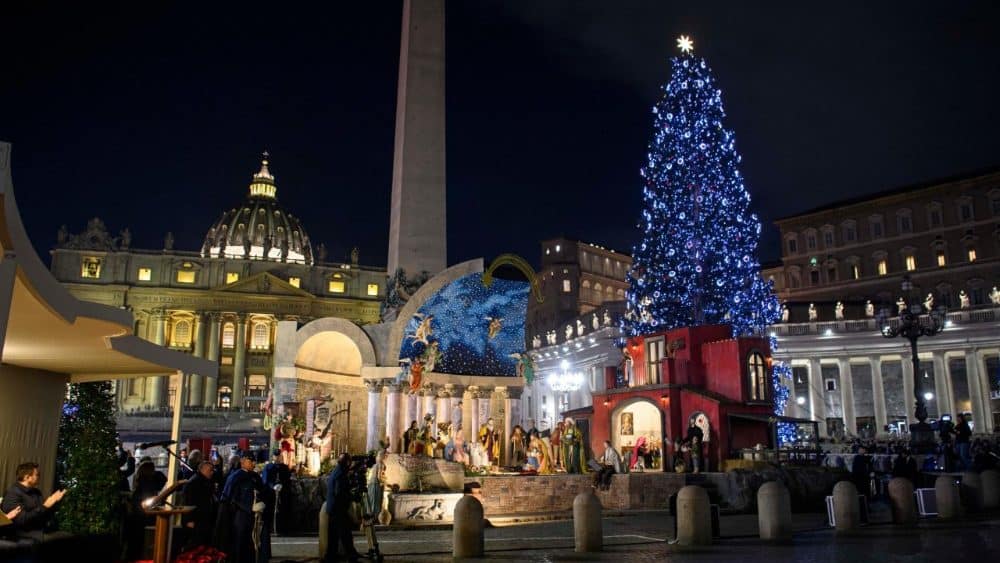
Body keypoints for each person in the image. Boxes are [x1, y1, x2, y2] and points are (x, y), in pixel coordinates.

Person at [219, 453, 267, 563]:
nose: (253, 463)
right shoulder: (235, 477)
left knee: (253, 542)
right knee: (240, 541)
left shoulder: (255, 476)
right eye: (251, 461)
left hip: (255, 516)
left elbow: (262, 491)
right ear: (243, 461)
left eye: (254, 461)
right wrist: (249, 507)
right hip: (239, 515)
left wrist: (262, 503)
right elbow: (232, 497)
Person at [0, 462, 66, 542]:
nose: (39, 477)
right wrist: (45, 506)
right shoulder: (12, 494)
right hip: (23, 535)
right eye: (37, 474)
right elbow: (22, 521)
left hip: (41, 530)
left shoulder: (36, 492)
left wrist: (54, 502)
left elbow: (43, 514)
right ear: (27, 477)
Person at [125, 458, 167, 560]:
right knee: (141, 540)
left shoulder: (140, 480)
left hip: (137, 515)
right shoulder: (149, 482)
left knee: (134, 542)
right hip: (143, 516)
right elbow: (163, 480)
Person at [324, 453, 360, 563]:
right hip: (338, 509)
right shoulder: (340, 474)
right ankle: (351, 555)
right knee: (345, 534)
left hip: (333, 508)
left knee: (334, 536)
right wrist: (352, 496)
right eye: (350, 462)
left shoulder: (337, 471)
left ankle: (331, 556)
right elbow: (339, 492)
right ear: (347, 462)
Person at [182, 461, 218, 548]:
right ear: (203, 470)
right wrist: (189, 520)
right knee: (195, 545)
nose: (212, 472)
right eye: (210, 470)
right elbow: (188, 502)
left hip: (205, 519)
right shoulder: (194, 483)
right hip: (197, 519)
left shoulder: (206, 481)